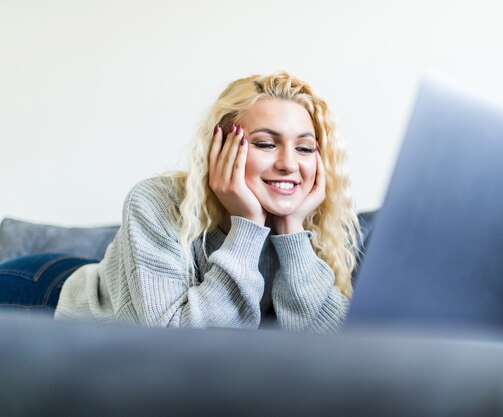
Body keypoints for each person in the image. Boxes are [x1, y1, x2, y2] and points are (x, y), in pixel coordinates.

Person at [0, 71, 361, 332]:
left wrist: (292, 231)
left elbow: (336, 345)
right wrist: (247, 227)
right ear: (220, 148)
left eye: (304, 148)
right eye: (266, 143)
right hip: (50, 291)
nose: (288, 164)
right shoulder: (155, 201)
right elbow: (176, 347)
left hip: (130, 280)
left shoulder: (308, 219)